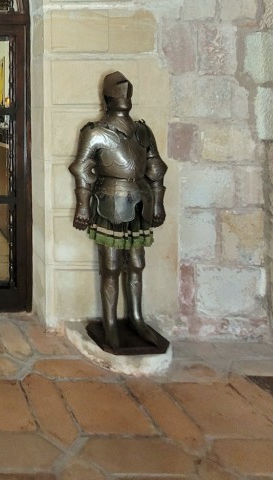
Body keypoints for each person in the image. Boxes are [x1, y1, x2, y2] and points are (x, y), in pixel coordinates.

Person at [69, 71, 167, 352]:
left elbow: (155, 167)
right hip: (109, 200)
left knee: (136, 262)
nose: (124, 98)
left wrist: (158, 202)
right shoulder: (95, 132)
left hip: (139, 201)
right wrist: (83, 207)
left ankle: (136, 317)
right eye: (119, 93)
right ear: (108, 98)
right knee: (110, 265)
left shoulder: (142, 131)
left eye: (127, 93)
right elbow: (82, 169)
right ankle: (110, 323)